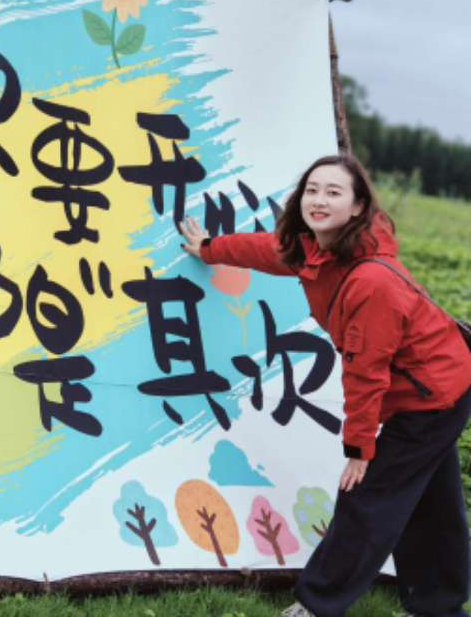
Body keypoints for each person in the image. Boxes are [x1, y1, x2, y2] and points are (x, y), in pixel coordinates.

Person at [179, 153, 471, 617]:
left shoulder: (370, 280)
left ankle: (318, 604)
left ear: (357, 207)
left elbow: (365, 371)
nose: (319, 200)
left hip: (432, 393)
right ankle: (439, 606)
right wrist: (211, 248)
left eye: (334, 192)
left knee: (367, 497)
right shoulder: (318, 250)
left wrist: (359, 449)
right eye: (312, 190)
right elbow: (267, 250)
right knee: (431, 500)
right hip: (433, 380)